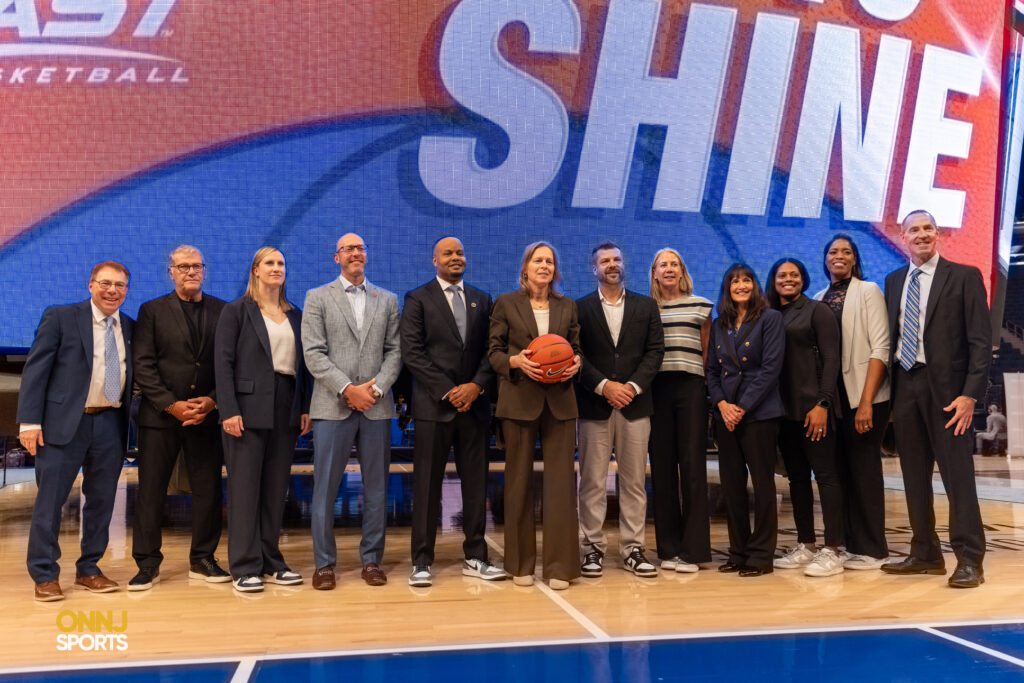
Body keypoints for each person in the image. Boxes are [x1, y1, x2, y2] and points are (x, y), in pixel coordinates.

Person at [882, 210, 990, 588]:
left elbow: (980, 343)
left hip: (948, 394)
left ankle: (970, 559)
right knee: (913, 477)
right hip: (905, 385)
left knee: (958, 478)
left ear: (939, 234)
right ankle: (925, 552)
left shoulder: (964, 276)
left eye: (928, 228)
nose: (922, 234)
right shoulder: (893, 281)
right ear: (903, 237)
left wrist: (969, 396)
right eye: (915, 229)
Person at [18, 261, 134, 601]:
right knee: (50, 502)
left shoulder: (129, 325)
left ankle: (89, 569)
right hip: (63, 425)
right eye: (106, 283)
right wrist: (29, 422)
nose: (113, 290)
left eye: (120, 285)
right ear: (91, 285)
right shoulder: (60, 317)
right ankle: (44, 574)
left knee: (101, 502)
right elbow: (36, 371)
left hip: (110, 424)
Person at [400, 236, 507, 587]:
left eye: (460, 252)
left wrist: (475, 387)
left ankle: (476, 555)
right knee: (427, 486)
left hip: (474, 409)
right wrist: (448, 391)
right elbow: (413, 353)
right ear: (435, 260)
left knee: (476, 486)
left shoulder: (482, 299)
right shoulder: (417, 298)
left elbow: (490, 352)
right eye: (448, 253)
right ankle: (422, 560)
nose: (456, 258)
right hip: (434, 408)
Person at [302, 233, 401, 589]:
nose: (355, 253)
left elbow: (395, 352)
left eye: (360, 248)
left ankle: (372, 561)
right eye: (348, 249)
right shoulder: (317, 297)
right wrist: (348, 389)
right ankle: (324, 564)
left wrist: (372, 390)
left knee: (376, 490)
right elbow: (313, 353)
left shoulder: (387, 299)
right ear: (336, 257)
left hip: (375, 406)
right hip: (332, 405)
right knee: (325, 488)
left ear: (366, 256)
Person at [130, 246, 229, 591]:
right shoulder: (151, 311)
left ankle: (202, 559)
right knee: (151, 493)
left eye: (197, 266)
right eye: (183, 266)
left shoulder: (224, 311)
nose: (191, 271)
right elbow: (143, 365)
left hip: (205, 418)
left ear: (205, 270)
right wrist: (171, 405)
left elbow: (229, 364)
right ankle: (147, 563)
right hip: (160, 418)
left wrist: (213, 402)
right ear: (170, 271)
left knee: (209, 491)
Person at [214, 247, 311, 593]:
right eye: (269, 263)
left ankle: (271, 560)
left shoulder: (295, 314)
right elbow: (222, 365)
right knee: (244, 491)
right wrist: (228, 410)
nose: (276, 268)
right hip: (246, 408)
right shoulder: (236, 311)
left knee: (274, 490)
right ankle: (244, 565)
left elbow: (303, 368)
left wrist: (304, 406)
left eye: (281, 263)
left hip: (285, 407)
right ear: (255, 270)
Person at [488, 241, 582, 590]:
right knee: (518, 486)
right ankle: (519, 563)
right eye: (538, 260)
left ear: (555, 270)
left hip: (560, 401)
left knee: (560, 487)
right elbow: (494, 353)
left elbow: (577, 350)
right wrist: (516, 361)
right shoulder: (506, 303)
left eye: (550, 261)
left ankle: (559, 567)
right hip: (519, 400)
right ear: (525, 267)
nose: (544, 265)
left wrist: (575, 364)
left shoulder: (568, 306)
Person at [576, 242, 664, 578]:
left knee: (634, 483)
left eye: (617, 259)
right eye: (604, 261)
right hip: (594, 405)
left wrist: (631, 387)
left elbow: (655, 352)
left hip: (635, 405)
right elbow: (575, 354)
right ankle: (592, 550)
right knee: (593, 483)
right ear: (594, 268)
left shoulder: (646, 306)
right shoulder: (579, 308)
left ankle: (633, 549)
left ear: (624, 265)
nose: (612, 265)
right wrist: (604, 386)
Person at [814, 234, 891, 570]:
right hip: (833, 399)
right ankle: (846, 543)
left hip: (864, 396)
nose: (839, 256)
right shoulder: (818, 296)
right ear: (826, 259)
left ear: (855, 258)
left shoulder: (868, 291)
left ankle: (873, 549)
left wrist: (866, 403)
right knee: (840, 472)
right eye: (833, 251)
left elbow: (881, 348)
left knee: (864, 471)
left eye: (846, 251)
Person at [765, 258, 844, 577]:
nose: (788, 279)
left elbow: (831, 358)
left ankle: (834, 549)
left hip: (815, 409)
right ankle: (806, 543)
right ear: (773, 280)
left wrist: (823, 403)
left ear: (804, 278)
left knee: (825, 476)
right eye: (782, 275)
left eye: (794, 274)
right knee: (796, 478)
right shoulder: (769, 315)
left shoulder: (818, 310)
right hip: (784, 412)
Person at [706, 263, 785, 577]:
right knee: (732, 487)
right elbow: (711, 372)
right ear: (727, 288)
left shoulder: (770, 319)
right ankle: (738, 552)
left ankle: (761, 555)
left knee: (763, 485)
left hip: (759, 415)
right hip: (725, 416)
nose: (741, 285)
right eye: (734, 281)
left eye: (746, 280)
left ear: (755, 285)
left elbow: (770, 369)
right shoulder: (719, 323)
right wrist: (723, 404)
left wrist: (741, 407)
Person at [648, 248, 713, 573]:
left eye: (675, 264)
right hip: (657, 390)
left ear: (682, 270)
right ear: (655, 273)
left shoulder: (701, 305)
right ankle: (669, 550)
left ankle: (694, 551)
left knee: (692, 469)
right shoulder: (646, 308)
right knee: (661, 471)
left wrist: (704, 389)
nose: (669, 269)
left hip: (691, 388)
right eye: (663, 265)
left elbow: (706, 350)